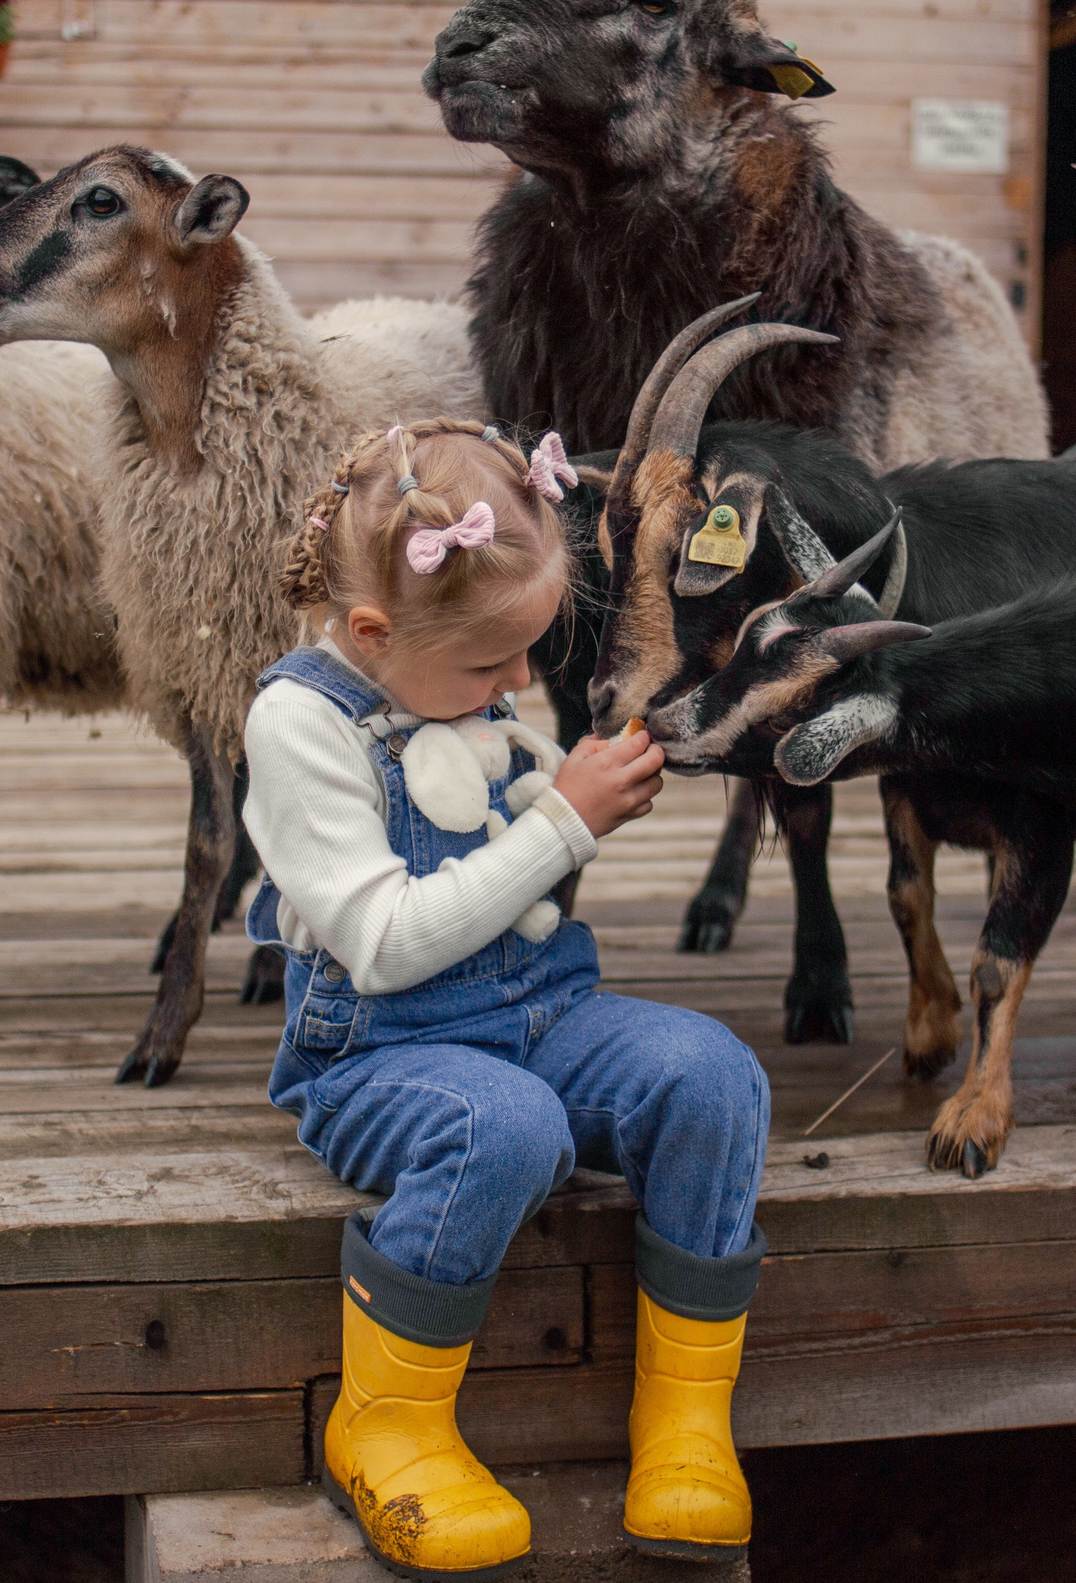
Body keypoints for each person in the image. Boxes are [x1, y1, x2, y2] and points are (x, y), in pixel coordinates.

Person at [244, 418, 772, 1579]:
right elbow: (381, 942)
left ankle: (683, 1420)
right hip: (379, 1058)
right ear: (375, 632)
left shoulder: (451, 673)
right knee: (505, 1126)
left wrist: (588, 791)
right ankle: (385, 1423)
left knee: (713, 1075)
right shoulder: (299, 726)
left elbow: (513, 857)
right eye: (493, 669)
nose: (517, 685)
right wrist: (562, 823)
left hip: (536, 1013)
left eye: (526, 656)